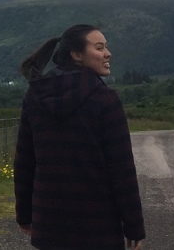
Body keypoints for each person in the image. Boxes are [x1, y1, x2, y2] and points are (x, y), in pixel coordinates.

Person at [14, 24, 145, 250]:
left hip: (49, 225)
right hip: (98, 227)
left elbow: (25, 161)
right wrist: (133, 227)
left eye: (106, 47)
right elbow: (122, 170)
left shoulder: (35, 95)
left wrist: (24, 214)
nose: (108, 53)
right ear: (77, 55)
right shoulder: (106, 100)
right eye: (99, 47)